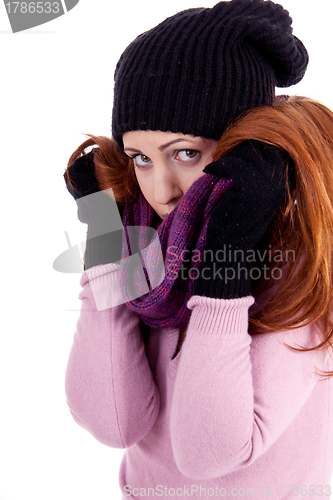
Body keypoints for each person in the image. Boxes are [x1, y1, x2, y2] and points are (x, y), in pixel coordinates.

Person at [63, 0, 333, 498]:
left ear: (246, 150)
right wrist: (104, 236)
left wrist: (225, 266)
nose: (161, 189)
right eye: (140, 158)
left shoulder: (297, 273)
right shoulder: (145, 252)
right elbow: (113, 423)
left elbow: (210, 454)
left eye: (186, 153)